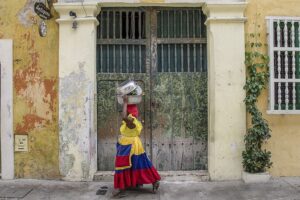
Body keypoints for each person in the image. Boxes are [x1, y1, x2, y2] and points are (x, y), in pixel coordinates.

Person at [113, 95, 160, 198]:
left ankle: (122, 188)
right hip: (128, 145)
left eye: (126, 110)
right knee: (137, 165)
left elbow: (124, 117)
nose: (124, 111)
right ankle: (127, 185)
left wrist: (125, 102)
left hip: (130, 147)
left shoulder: (132, 122)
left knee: (126, 166)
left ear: (130, 113)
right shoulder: (132, 121)